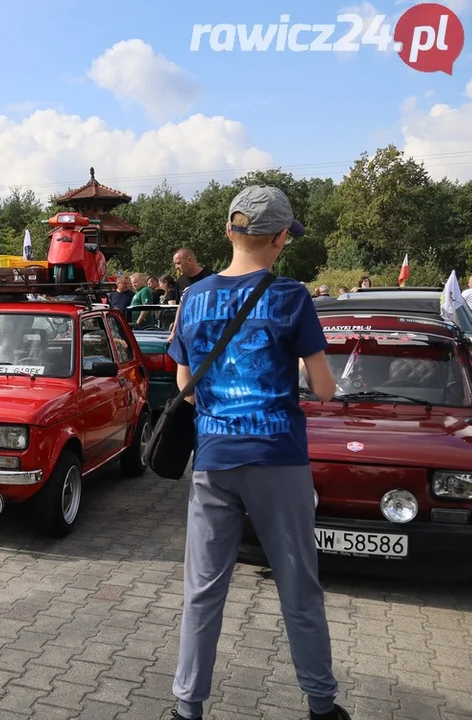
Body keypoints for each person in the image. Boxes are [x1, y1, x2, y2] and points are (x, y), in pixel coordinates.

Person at [167, 185, 347, 720]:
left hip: (214, 459)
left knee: (202, 590)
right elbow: (324, 388)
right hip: (278, 458)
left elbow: (187, 388)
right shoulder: (291, 296)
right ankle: (320, 704)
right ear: (280, 240)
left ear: (228, 231)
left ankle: (187, 708)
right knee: (298, 586)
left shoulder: (193, 297)